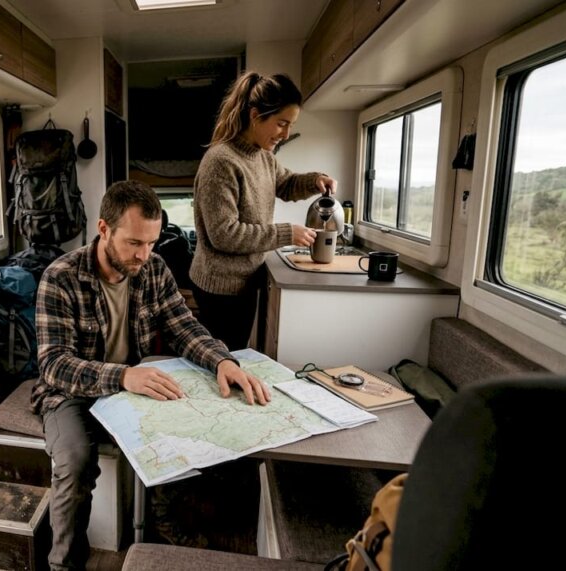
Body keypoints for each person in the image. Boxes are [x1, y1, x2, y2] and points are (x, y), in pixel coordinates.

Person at [31, 180, 271, 570]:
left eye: (152, 243)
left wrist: (223, 361)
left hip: (131, 384)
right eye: (134, 243)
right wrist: (124, 376)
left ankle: (161, 531)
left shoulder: (154, 269)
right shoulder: (60, 277)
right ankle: (65, 563)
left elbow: (184, 328)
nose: (145, 254)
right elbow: (54, 365)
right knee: (75, 463)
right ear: (104, 229)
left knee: (182, 430)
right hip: (71, 391)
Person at [190, 71, 337, 350]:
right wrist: (286, 233)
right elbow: (224, 234)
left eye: (290, 125)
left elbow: (286, 183)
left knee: (235, 356)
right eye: (281, 123)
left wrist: (316, 181)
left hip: (243, 281)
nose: (286, 134)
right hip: (219, 287)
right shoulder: (221, 162)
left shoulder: (262, 156)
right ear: (256, 115)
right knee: (225, 360)